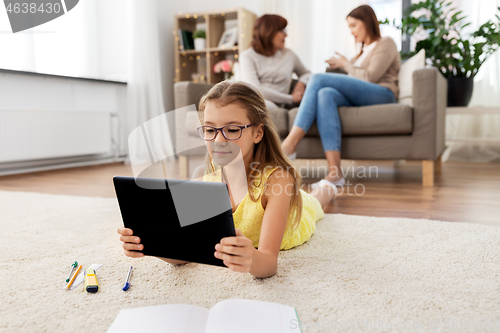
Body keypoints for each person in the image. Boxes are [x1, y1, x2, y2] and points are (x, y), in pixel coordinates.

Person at [117, 81, 337, 279]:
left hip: (293, 219)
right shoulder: (201, 180)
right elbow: (185, 253)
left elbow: (269, 263)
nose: (219, 140)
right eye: (210, 129)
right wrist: (150, 244)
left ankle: (329, 186)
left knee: (317, 200)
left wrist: (250, 256)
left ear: (258, 133)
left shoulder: (278, 181)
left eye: (232, 129)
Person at [280, 5, 400, 188]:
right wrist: (343, 64)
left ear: (367, 22)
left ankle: (289, 144)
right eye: (349, 27)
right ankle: (335, 173)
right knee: (324, 94)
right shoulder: (361, 52)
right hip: (361, 95)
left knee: (318, 79)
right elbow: (354, 76)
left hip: (382, 93)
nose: (351, 31)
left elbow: (370, 77)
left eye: (353, 25)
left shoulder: (386, 43)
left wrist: (346, 64)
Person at [239, 14, 311, 110]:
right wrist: (290, 99)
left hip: (276, 107)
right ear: (269, 32)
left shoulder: (289, 54)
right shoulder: (247, 56)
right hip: (255, 102)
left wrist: (301, 83)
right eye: (282, 31)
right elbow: (255, 89)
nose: (286, 35)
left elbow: (307, 73)